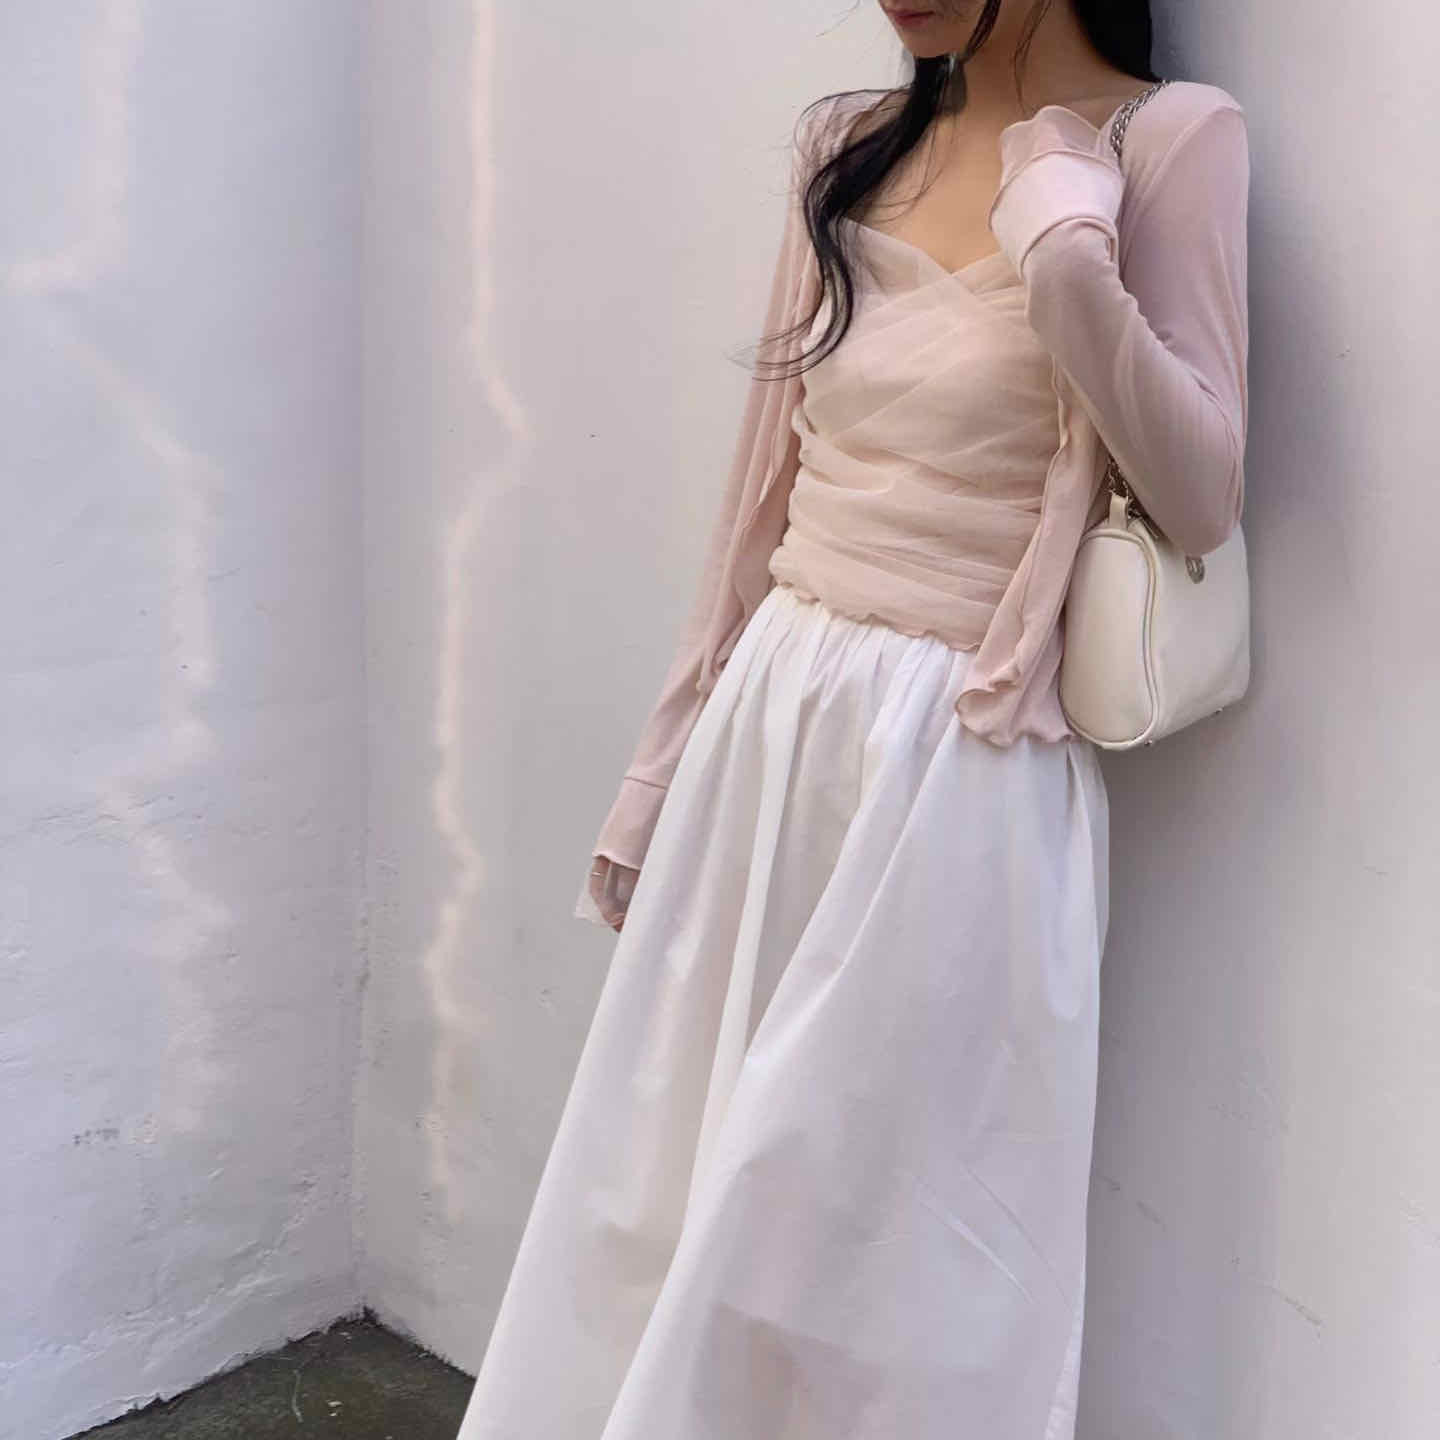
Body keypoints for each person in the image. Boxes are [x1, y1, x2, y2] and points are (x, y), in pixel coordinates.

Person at [457, 2, 1249, 1435]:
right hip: (772, 731)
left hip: (964, 767)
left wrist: (1070, 256)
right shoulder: (846, 143)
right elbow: (759, 494)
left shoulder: (1168, 142)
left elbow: (1201, 496)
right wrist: (661, 764)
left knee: (885, 1269)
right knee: (669, 1206)